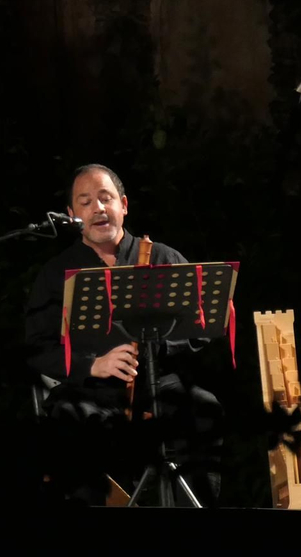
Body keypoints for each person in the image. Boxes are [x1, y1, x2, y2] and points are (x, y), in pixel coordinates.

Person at [23, 163, 223, 505]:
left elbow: (200, 324)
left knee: (203, 407)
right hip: (92, 393)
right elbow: (37, 347)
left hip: (157, 386)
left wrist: (155, 346)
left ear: (124, 205)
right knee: (68, 420)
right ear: (71, 215)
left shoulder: (162, 257)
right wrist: (93, 365)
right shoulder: (56, 273)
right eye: (85, 202)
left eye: (106, 198)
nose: (97, 208)